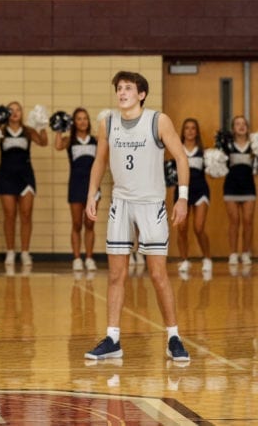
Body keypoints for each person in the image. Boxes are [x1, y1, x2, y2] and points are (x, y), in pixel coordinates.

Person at [84, 71, 190, 363]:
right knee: (117, 274)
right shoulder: (108, 123)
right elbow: (100, 161)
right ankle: (113, 339)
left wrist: (182, 197)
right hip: (122, 203)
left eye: (128, 88)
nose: (122, 92)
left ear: (141, 94)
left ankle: (173, 337)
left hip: (151, 203)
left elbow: (181, 157)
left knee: (157, 274)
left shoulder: (158, 120)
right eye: (119, 88)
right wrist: (92, 193)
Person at [0, 101, 48, 267]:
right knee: (9, 215)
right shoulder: (1, 131)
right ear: (6, 113)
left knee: (26, 214)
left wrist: (42, 125)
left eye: (18, 109)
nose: (15, 113)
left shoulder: (28, 131)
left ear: (22, 113)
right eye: (11, 110)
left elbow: (43, 142)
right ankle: (10, 252)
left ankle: (25, 252)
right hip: (6, 176)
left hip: (25, 176)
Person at [54, 108, 99, 272]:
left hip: (93, 187)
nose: (82, 121)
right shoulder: (69, 140)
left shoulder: (95, 140)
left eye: (85, 118)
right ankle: (77, 258)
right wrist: (59, 127)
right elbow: (57, 145)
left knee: (90, 223)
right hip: (75, 185)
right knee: (77, 223)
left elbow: (109, 146)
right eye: (79, 119)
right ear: (74, 122)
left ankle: (89, 257)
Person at [176, 118, 213, 276]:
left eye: (193, 128)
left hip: (200, 191)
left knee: (198, 228)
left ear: (196, 132)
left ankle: (207, 258)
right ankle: (184, 260)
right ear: (182, 132)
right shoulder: (177, 149)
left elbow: (212, 172)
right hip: (182, 193)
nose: (190, 131)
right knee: (182, 228)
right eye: (187, 128)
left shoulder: (204, 152)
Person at [223, 115, 255, 268]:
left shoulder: (254, 146)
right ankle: (233, 253)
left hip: (248, 187)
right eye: (237, 124)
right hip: (231, 187)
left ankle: (246, 252)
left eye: (243, 124)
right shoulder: (227, 146)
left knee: (248, 221)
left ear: (247, 127)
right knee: (234, 221)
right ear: (233, 128)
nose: (241, 126)